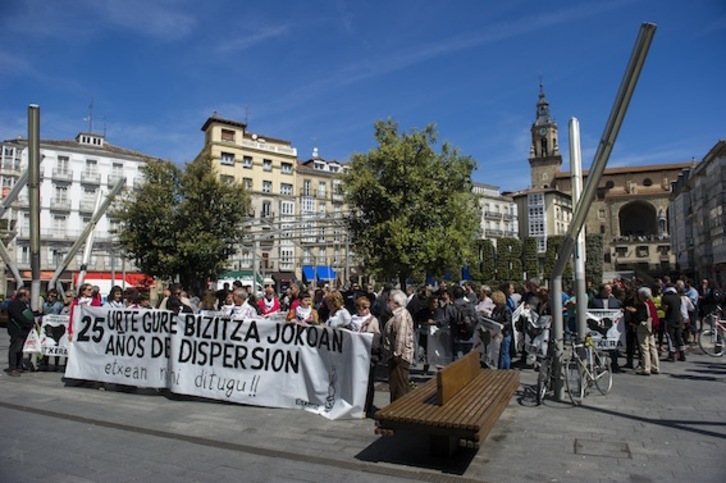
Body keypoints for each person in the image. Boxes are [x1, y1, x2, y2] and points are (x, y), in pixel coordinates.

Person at [383, 289, 414, 403]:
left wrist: (396, 355)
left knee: (399, 389)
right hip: (395, 357)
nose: (387, 303)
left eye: (389, 300)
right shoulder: (397, 315)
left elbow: (400, 337)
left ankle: (397, 414)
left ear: (396, 303)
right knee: (396, 387)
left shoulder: (401, 316)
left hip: (399, 359)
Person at [353, 297, 381, 417]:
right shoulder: (353, 319)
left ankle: (367, 407)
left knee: (368, 383)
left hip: (368, 357)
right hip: (355, 356)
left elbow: (377, 339)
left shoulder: (373, 320)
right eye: (363, 307)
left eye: (367, 307)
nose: (366, 310)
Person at [588, 283, 623, 373]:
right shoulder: (594, 300)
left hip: (611, 327)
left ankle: (614, 364)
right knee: (598, 345)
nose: (610, 292)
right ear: (602, 290)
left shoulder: (614, 300)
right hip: (598, 326)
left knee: (613, 346)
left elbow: (618, 309)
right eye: (608, 290)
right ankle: (598, 364)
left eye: (610, 290)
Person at [6, 288, 35, 376]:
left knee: (20, 350)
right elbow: (19, 317)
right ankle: (12, 368)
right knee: (15, 349)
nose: (28, 297)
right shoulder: (14, 304)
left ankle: (19, 366)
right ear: (22, 296)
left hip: (24, 330)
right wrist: (28, 323)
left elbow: (28, 314)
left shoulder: (24, 304)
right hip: (17, 330)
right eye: (27, 295)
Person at [634, 287, 660, 376]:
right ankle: (655, 367)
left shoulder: (642, 305)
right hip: (652, 327)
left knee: (644, 347)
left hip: (644, 327)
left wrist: (634, 322)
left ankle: (646, 368)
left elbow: (640, 317)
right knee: (652, 347)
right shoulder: (651, 303)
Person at [661, 283, 686, 362]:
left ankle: (672, 354)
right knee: (678, 337)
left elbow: (665, 308)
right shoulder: (678, 297)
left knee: (670, 338)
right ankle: (682, 354)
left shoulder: (665, 298)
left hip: (669, 319)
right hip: (678, 319)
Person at [490, 290, 513, 369]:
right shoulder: (495, 309)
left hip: (505, 333)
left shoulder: (506, 309)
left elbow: (509, 321)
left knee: (504, 353)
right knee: (499, 353)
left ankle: (505, 369)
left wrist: (502, 325)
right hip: (497, 334)